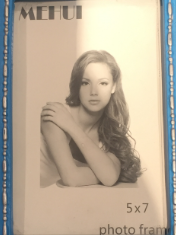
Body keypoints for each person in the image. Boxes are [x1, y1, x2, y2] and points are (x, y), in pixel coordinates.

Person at [40, 50, 141, 187]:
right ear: (77, 86)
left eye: (103, 83)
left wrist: (71, 126)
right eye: (85, 83)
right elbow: (71, 179)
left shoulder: (108, 135)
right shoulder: (55, 114)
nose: (94, 92)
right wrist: (102, 172)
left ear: (113, 87)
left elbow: (109, 178)